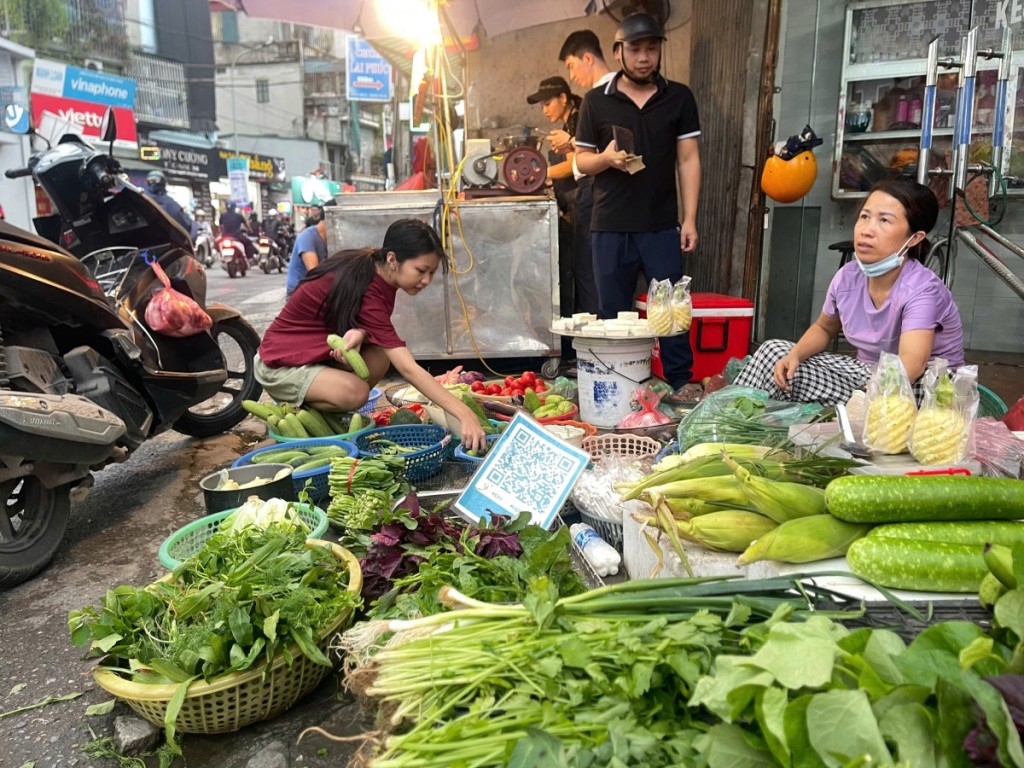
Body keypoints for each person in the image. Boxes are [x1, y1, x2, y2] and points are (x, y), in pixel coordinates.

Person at [255, 218, 487, 452]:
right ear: (392, 259)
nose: (426, 280)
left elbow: (357, 318)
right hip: (279, 366)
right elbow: (408, 369)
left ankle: (324, 412)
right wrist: (463, 413)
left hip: (310, 356)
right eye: (421, 270)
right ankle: (303, 413)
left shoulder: (372, 266)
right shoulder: (370, 288)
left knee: (379, 356)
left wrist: (361, 332)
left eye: (432, 272)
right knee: (355, 392)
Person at [734, 179, 965, 406]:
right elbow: (825, 328)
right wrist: (794, 355)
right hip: (867, 374)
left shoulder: (922, 289)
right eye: (864, 217)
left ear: (914, 238)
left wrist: (865, 398)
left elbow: (912, 365)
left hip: (927, 388)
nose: (867, 230)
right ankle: (730, 416)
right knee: (775, 354)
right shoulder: (847, 277)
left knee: (893, 391)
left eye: (884, 220)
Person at [573, 13, 702, 388]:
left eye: (651, 48)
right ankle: (617, 389)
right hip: (610, 226)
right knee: (612, 317)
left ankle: (679, 386)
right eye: (635, 49)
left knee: (672, 313)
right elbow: (581, 160)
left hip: (661, 225)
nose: (644, 57)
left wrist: (689, 218)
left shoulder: (679, 97)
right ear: (618, 52)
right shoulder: (596, 101)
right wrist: (605, 159)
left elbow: (688, 159)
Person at [548, 29, 615, 317]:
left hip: (596, 188)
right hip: (596, 190)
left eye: (572, 66)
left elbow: (607, 150)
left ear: (588, 58)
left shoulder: (602, 97)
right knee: (592, 270)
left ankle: (592, 333)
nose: (572, 76)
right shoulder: (598, 96)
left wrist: (572, 142)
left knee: (590, 271)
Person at [527, 76, 580, 318]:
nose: (545, 110)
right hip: (574, 206)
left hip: (584, 208)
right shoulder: (568, 124)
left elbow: (573, 165)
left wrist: (540, 174)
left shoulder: (577, 120)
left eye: (548, 103)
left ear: (563, 98)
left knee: (583, 276)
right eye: (542, 106)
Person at [284, 216, 328, 297]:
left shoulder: (330, 240)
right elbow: (314, 272)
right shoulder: (308, 236)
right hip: (299, 291)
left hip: (315, 289)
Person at [145, 171, 193, 236]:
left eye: (154, 180)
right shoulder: (170, 203)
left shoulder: (141, 197)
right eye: (150, 181)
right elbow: (186, 225)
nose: (152, 183)